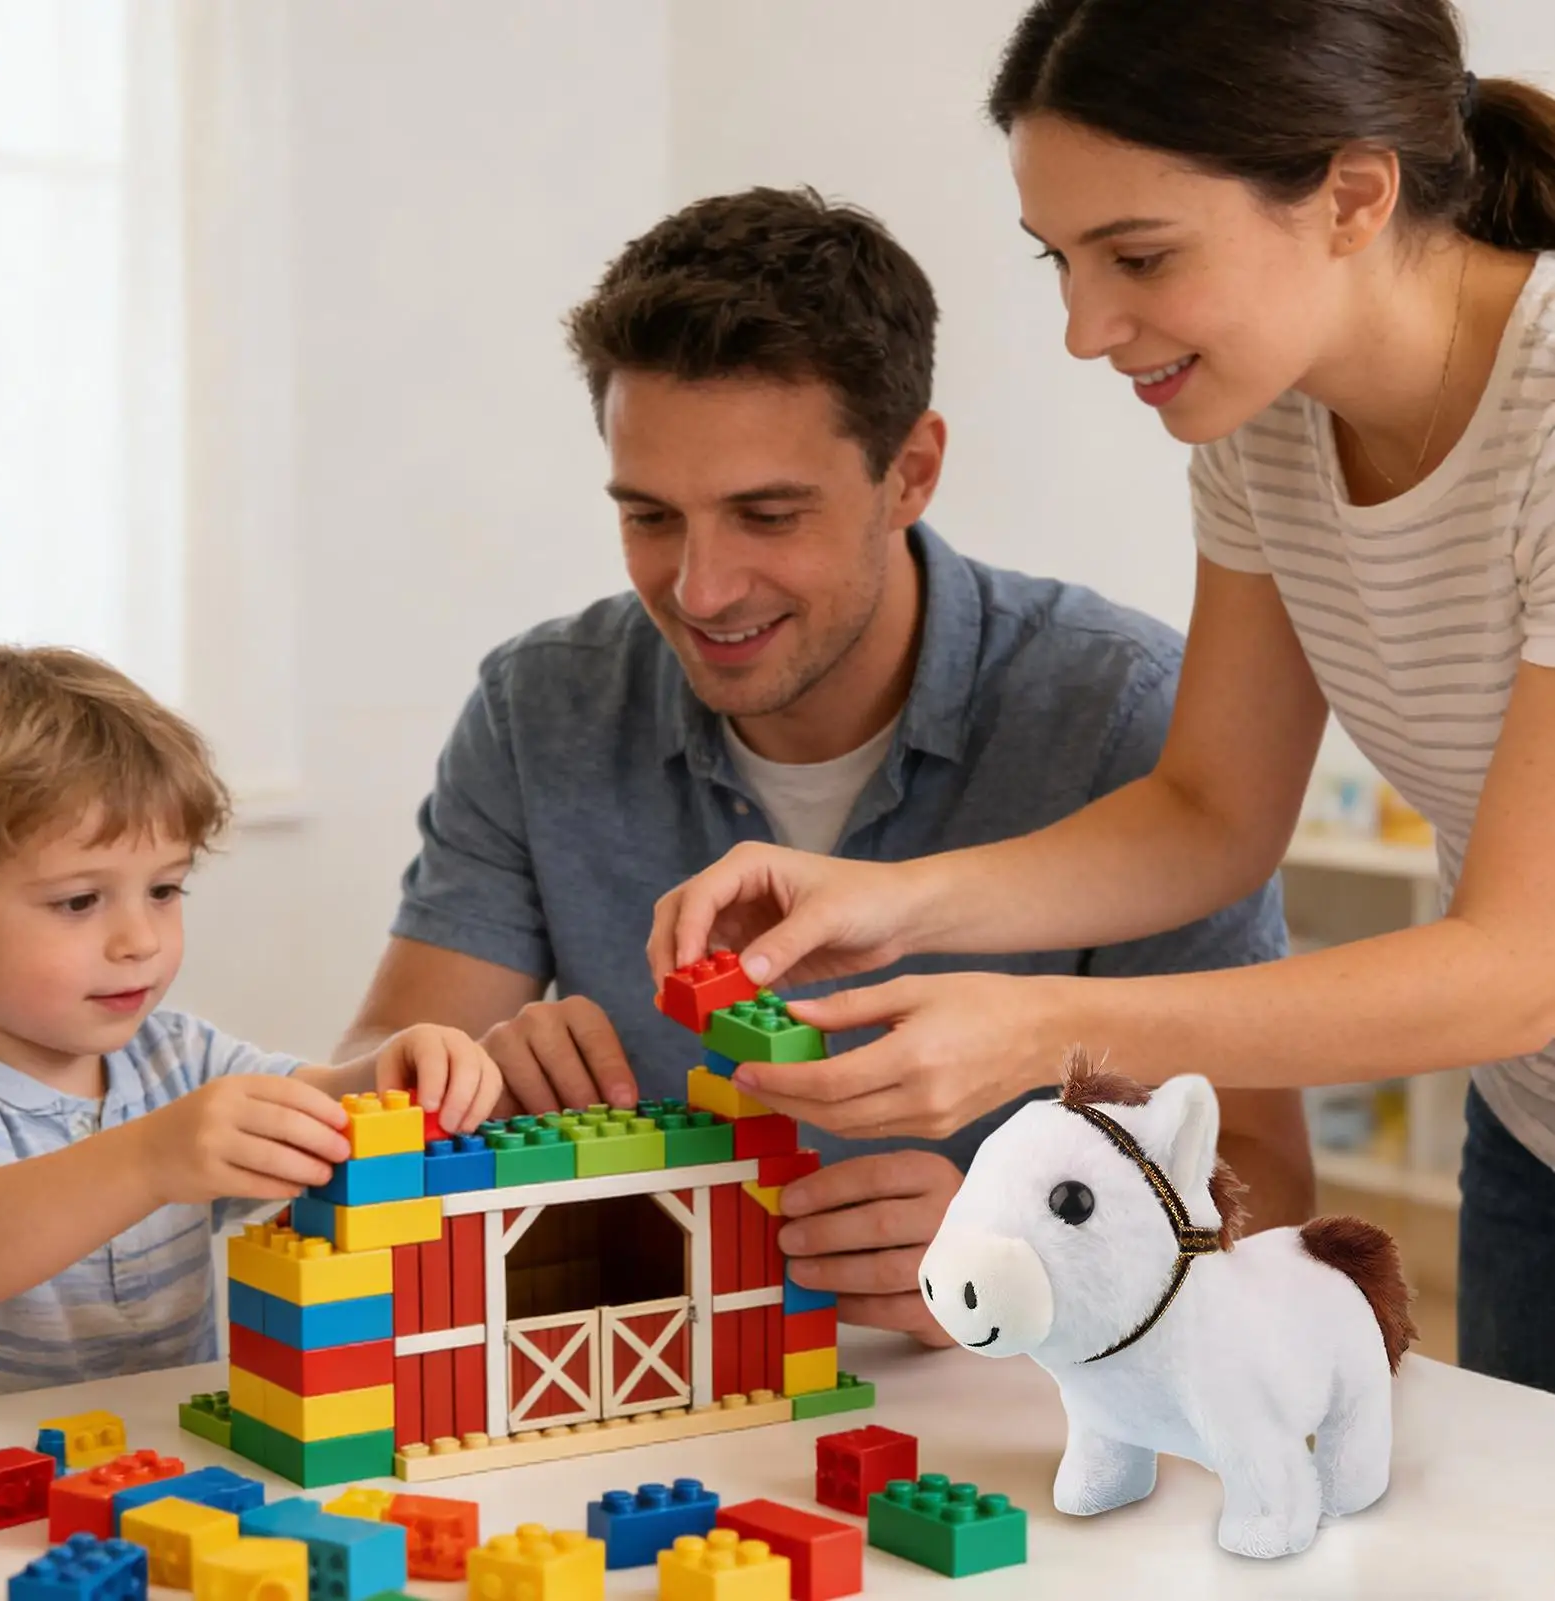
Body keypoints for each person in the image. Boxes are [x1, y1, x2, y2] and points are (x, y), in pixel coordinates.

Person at [648, 1, 1555, 1391]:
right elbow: (1210, 813)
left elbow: (1517, 965)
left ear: (1353, 196)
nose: (1085, 329)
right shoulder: (1268, 422)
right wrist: (892, 900)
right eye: (1062, 261)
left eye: (1138, 256)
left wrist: (1045, 1031)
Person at [338, 186, 1312, 1349]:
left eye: (766, 514)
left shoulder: (1124, 713)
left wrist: (1036, 1260)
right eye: (650, 516)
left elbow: (1266, 1181)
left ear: (910, 472)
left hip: (1004, 1422)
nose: (699, 590)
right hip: (660, 1382)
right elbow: (360, 1082)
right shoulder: (538, 703)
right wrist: (450, 1085)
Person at [0, 646, 501, 1400]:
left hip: (157, 1464)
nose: (139, 940)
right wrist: (148, 1159)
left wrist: (391, 1071)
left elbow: (315, 1106)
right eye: (79, 901)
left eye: (165, 889)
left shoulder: (174, 1056)